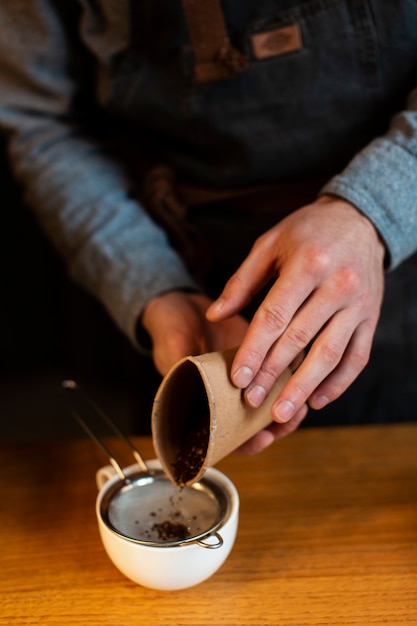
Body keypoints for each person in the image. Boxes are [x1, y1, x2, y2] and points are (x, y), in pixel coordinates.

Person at [0, 1, 416, 452]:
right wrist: (154, 287)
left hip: (397, 265)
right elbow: (42, 122)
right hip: (183, 270)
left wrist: (373, 209)